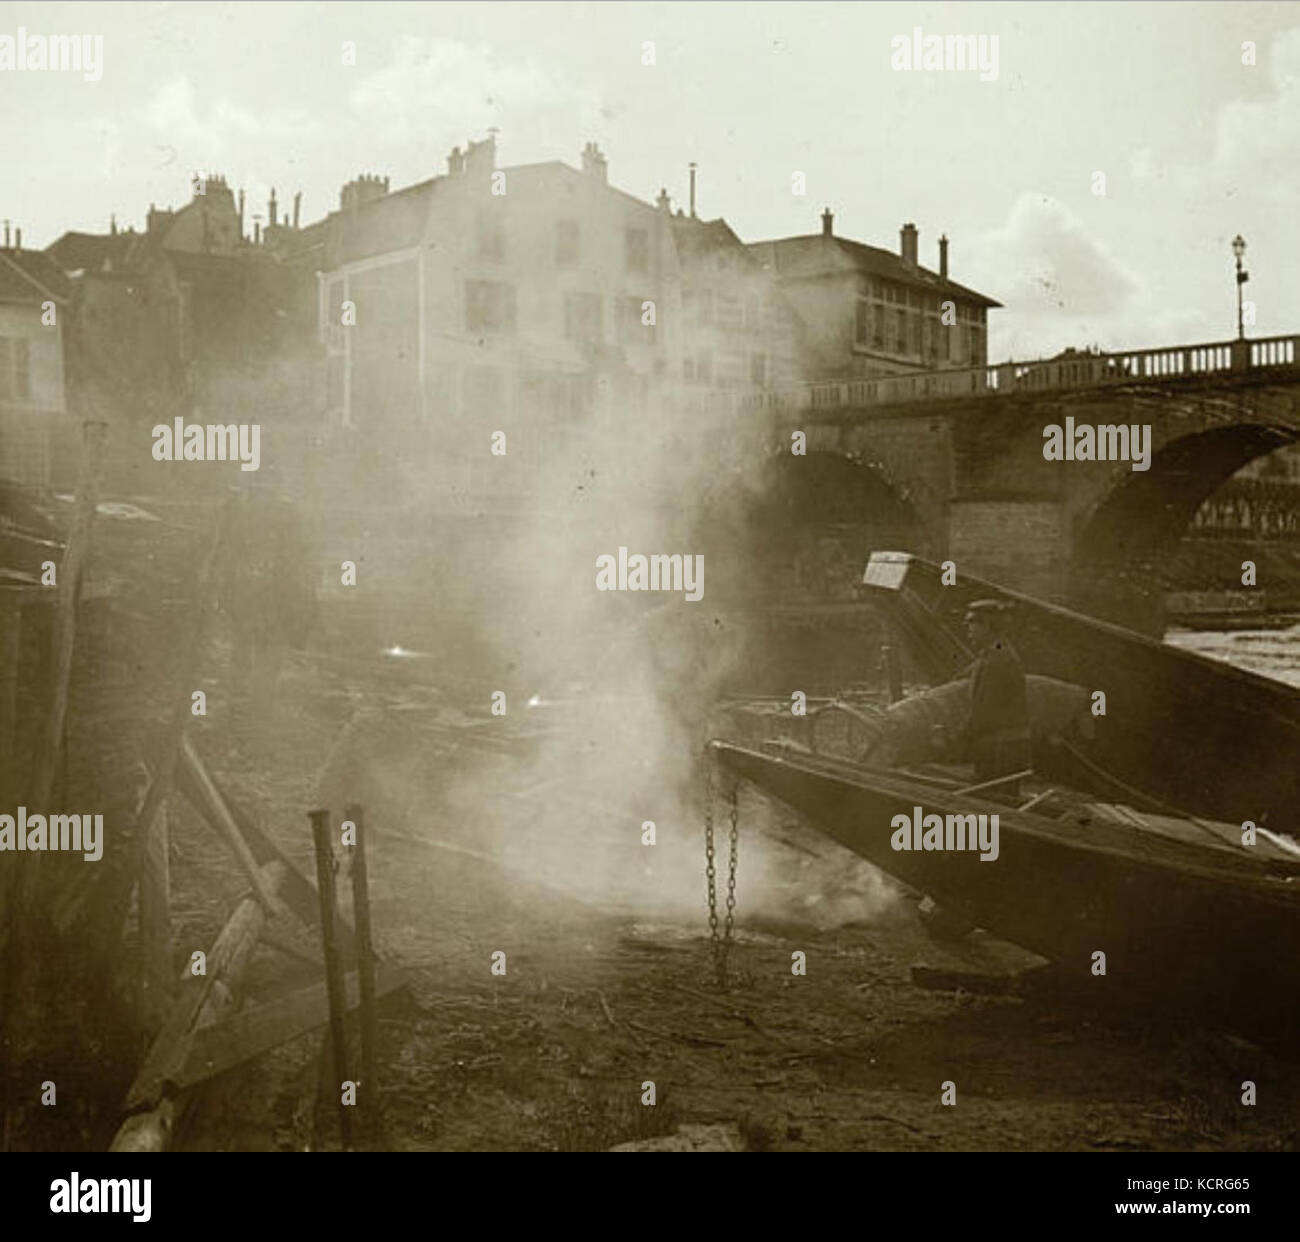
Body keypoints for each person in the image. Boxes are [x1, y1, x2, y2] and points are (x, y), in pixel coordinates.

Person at [962, 599, 1030, 794]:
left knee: (991, 803)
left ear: (987, 626)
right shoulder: (996, 653)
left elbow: (982, 710)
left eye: (972, 624)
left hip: (1000, 749)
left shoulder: (997, 660)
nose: (968, 631)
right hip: (1005, 746)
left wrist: (954, 740)